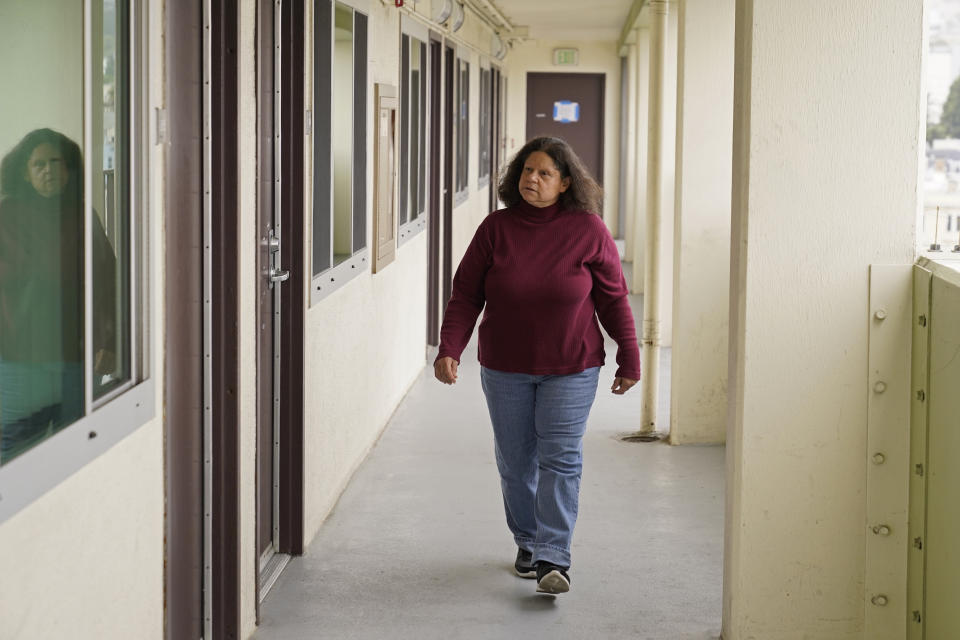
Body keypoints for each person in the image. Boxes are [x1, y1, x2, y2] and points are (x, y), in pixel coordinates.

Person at [434, 136, 641, 596]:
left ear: (566, 183)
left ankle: (553, 556)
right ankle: (527, 540)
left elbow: (613, 297)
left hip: (571, 366)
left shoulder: (588, 230)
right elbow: (467, 293)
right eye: (528, 170)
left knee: (561, 459)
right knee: (516, 462)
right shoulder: (496, 229)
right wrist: (451, 346)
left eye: (545, 173)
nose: (533, 179)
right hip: (506, 367)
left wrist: (630, 353)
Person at [0, 128, 115, 464]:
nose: (49, 170)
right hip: (19, 365)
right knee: (16, 461)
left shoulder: (82, 214)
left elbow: (107, 279)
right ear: (24, 171)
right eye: (39, 164)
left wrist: (109, 340)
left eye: (57, 162)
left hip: (76, 363)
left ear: (69, 169)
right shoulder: (5, 217)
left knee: (73, 459)